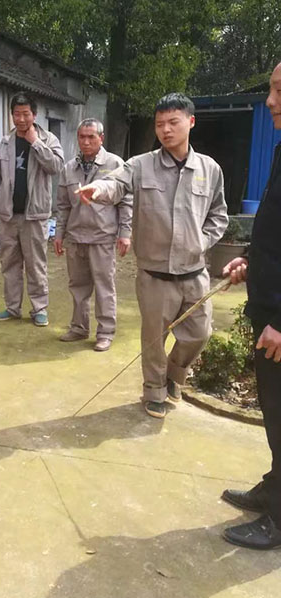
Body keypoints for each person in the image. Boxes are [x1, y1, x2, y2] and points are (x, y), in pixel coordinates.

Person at [77, 93, 228, 418]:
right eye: (160, 124)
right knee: (154, 341)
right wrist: (97, 191)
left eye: (173, 122)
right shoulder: (140, 166)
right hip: (154, 275)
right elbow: (115, 184)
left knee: (200, 333)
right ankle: (155, 392)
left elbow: (219, 215)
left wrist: (201, 242)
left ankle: (175, 375)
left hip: (194, 272)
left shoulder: (209, 169)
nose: (166, 130)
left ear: (190, 122)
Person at [219, 62, 281, 550]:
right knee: (274, 411)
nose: (270, 101)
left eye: (279, 91)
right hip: (268, 308)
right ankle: (274, 489)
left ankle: (279, 521)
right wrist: (249, 261)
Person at [0, 91, 64, 327]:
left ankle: (39, 309)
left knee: (35, 264)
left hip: (35, 216)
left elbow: (56, 167)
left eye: (25, 114)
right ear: (11, 115)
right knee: (9, 264)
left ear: (34, 114)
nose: (21, 119)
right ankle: (12, 308)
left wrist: (35, 143)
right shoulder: (4, 143)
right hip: (8, 216)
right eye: (16, 114)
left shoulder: (48, 139)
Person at [54, 118, 132, 352]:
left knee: (104, 286)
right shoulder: (69, 168)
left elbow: (126, 201)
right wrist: (59, 234)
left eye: (91, 137)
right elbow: (63, 205)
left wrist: (125, 233)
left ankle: (106, 332)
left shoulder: (115, 164)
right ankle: (79, 327)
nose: (86, 142)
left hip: (102, 237)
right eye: (82, 137)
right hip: (76, 236)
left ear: (101, 138)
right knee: (78, 285)